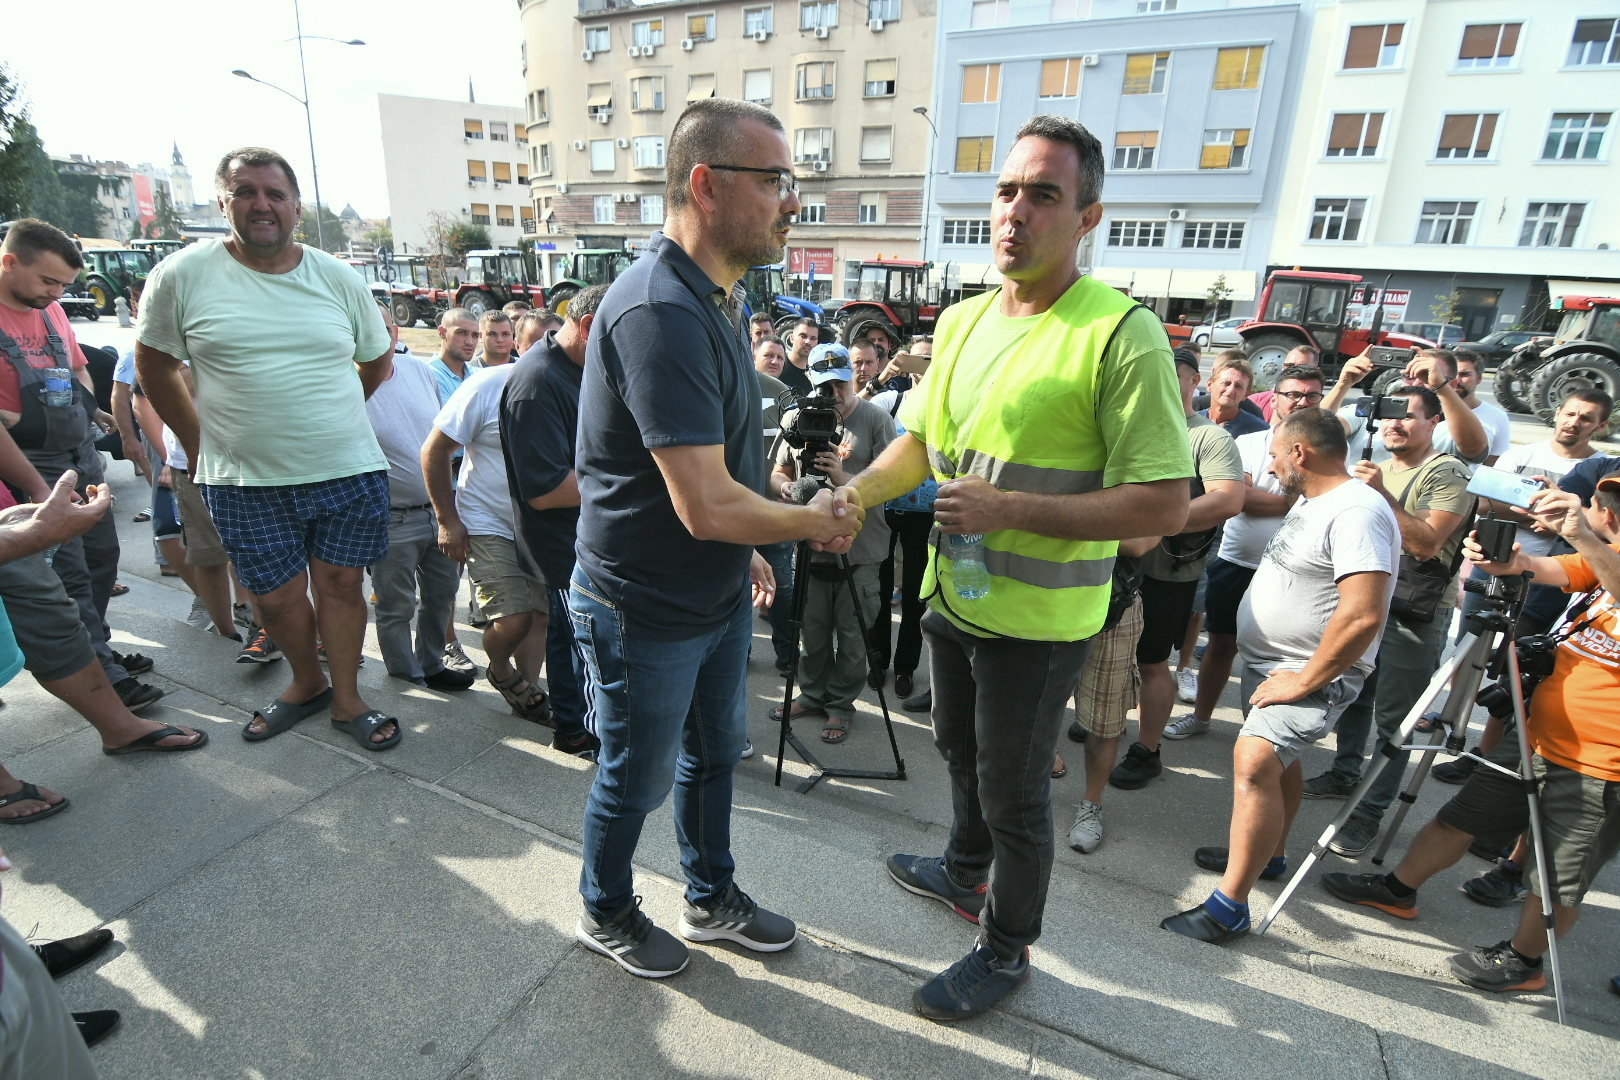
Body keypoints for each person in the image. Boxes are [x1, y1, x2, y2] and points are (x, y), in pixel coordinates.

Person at [842, 115, 1193, 1018]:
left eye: (1044, 195)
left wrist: (1010, 510)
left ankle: (1006, 950)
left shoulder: (1121, 334)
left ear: (1087, 218)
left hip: (1040, 626)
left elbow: (1162, 507)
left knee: (1015, 794)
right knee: (955, 750)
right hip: (952, 599)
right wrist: (852, 497)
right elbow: (919, 445)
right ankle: (964, 873)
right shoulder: (959, 320)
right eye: (1005, 192)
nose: (1015, 213)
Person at [570, 97, 859, 980]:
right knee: (636, 776)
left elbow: (727, 474)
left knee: (715, 756)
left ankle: (709, 899)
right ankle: (607, 909)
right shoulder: (657, 310)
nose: (791, 201)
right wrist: (806, 524)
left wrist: (773, 513)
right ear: (706, 184)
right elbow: (701, 505)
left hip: (716, 594)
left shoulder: (721, 299)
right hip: (643, 608)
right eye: (775, 181)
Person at [137, 147, 401, 751]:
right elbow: (154, 363)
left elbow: (375, 355)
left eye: (274, 194)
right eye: (246, 192)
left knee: (341, 586)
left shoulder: (337, 277)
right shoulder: (180, 276)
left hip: (346, 469)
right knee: (276, 597)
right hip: (241, 478)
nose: (261, 204)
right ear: (223, 201)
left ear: (295, 208)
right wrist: (198, 442)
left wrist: (331, 416)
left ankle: (347, 698)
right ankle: (305, 684)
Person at [1321, 480, 1620, 995]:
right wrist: (1508, 560)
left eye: (1607, 508)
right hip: (1538, 738)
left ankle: (1524, 962)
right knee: (1462, 816)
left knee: (1557, 874)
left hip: (1602, 766)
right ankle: (1397, 889)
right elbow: (1545, 569)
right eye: (1605, 503)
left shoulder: (1604, 556)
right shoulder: (1605, 558)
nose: (1604, 512)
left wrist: (1585, 539)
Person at [1164, 407, 1398, 944]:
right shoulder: (1318, 501)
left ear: (1300, 453)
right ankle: (1267, 855)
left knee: (1254, 762)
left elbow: (1362, 613)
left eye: (1275, 454)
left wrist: (1305, 680)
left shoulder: (1357, 510)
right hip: (1276, 665)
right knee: (1277, 764)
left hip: (1308, 672)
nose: (1270, 466)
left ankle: (1229, 907)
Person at [1300, 386, 1476, 856]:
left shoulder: (1447, 472)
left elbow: (1426, 544)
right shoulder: (1377, 462)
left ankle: (1368, 813)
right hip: (1369, 604)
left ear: (1434, 422)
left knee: (1395, 720)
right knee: (1355, 697)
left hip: (1414, 615)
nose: (1397, 424)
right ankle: (1344, 772)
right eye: (1392, 415)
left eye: (1411, 416)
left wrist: (1379, 495)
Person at [0, 219, 163, 712]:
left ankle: (99, 645)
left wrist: (86, 408)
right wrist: (37, 492)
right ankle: (102, 675)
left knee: (100, 558)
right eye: (48, 282)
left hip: (81, 454)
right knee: (65, 572)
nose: (56, 293)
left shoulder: (50, 313)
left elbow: (74, 368)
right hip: (35, 465)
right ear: (10, 262)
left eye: (64, 285)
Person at [1102, 349, 1243, 795]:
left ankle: (1147, 749)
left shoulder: (1209, 438)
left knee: (1151, 662)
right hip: (1111, 562)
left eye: (1171, 373)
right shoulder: (1127, 425)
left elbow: (1227, 499)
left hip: (1167, 574)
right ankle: (1103, 725)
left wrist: (1160, 521)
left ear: (1193, 380)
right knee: (1103, 654)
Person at [1180, 365, 1326, 746]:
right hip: (1236, 563)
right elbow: (1239, 499)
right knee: (1221, 644)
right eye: (1293, 394)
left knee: (1281, 657)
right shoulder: (1246, 443)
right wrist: (1299, 499)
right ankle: (1200, 717)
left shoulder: (1327, 449)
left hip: (1295, 573)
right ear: (1273, 398)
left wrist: (1271, 500)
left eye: (1311, 396)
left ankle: (1264, 737)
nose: (1300, 402)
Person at [500, 282, 610, 758]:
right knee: (577, 649)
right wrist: (628, 479)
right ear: (587, 328)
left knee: (575, 641)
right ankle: (578, 733)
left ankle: (581, 727)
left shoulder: (578, 365)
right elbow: (544, 491)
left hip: (587, 539)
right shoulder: (537, 383)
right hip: (563, 548)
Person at [768, 344, 894, 741]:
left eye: (840, 384)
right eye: (824, 386)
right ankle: (812, 694)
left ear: (855, 376)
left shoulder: (874, 419)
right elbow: (777, 471)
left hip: (861, 550)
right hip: (810, 547)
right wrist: (788, 489)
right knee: (813, 632)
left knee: (854, 637)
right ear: (811, 381)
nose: (833, 394)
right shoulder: (796, 417)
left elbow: (891, 485)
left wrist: (843, 478)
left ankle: (840, 705)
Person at [422, 342, 550, 722]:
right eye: (541, 341)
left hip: (541, 527)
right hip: (487, 522)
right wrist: (448, 521)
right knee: (514, 619)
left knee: (538, 617)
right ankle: (500, 668)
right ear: (522, 346)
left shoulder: (577, 384)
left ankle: (526, 691)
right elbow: (435, 451)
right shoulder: (489, 384)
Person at [364, 301, 473, 693]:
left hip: (439, 510)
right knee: (396, 606)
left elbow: (441, 441)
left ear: (395, 333)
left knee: (443, 596)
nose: (378, 339)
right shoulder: (346, 383)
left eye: (384, 330)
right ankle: (404, 675)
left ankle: (430, 664)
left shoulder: (417, 372)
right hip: (390, 518)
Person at [1323, 348, 1487, 465]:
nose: (1415, 383)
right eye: (1408, 376)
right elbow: (1316, 432)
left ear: (1451, 383)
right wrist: (1343, 384)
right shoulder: (1368, 411)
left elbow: (1475, 450)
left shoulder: (1452, 427)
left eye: (1426, 377)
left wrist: (1441, 387)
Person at [1452, 352, 1511, 468]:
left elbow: (1493, 467)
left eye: (1464, 374)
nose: (1456, 380)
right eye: (1452, 374)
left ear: (1478, 378)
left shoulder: (1497, 417)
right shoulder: (1429, 411)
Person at [1199, 352, 1268, 438]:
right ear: (1209, 385)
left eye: (1238, 386)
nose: (1231, 390)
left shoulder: (1259, 431)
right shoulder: (1190, 423)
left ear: (1246, 394)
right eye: (1226, 383)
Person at [429, 308, 480, 406]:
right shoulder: (429, 375)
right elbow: (451, 418)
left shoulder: (478, 374)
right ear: (442, 332)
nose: (470, 341)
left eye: (475, 335)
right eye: (461, 333)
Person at [780, 316, 818, 397]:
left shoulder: (819, 371)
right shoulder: (778, 365)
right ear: (792, 338)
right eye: (803, 336)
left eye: (813, 338)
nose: (808, 342)